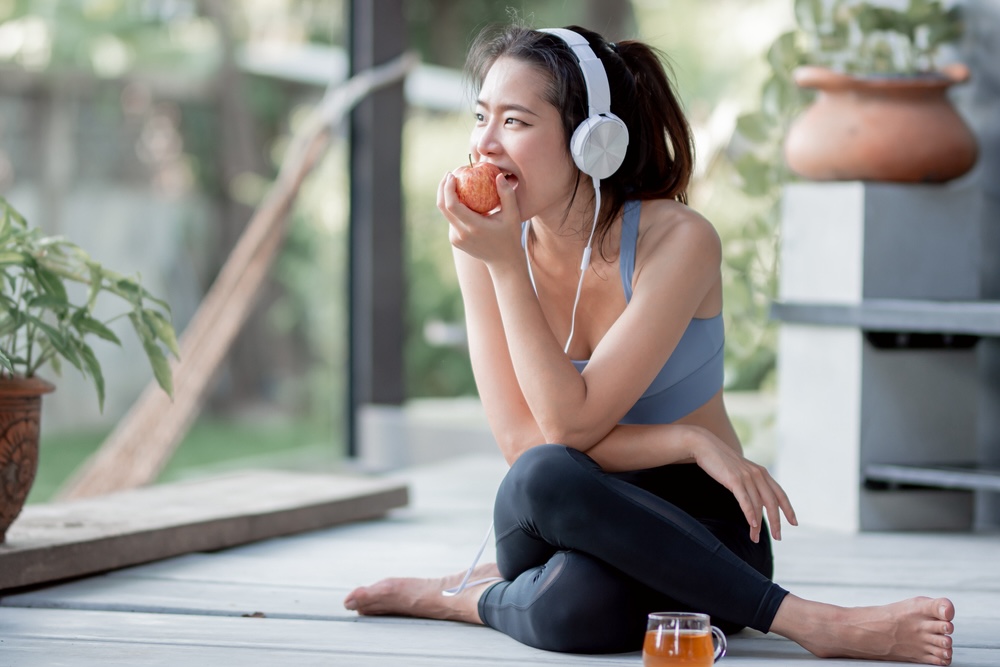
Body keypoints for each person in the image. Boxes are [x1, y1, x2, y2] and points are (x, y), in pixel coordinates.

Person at [344, 22, 956, 666]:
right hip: (559, 511)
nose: (484, 146)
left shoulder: (680, 242)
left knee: (576, 609)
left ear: (591, 140)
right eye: (481, 117)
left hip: (707, 528)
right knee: (546, 473)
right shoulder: (489, 247)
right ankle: (809, 620)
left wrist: (502, 267)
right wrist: (688, 439)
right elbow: (533, 442)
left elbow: (568, 424)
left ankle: (470, 597)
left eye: (516, 122)